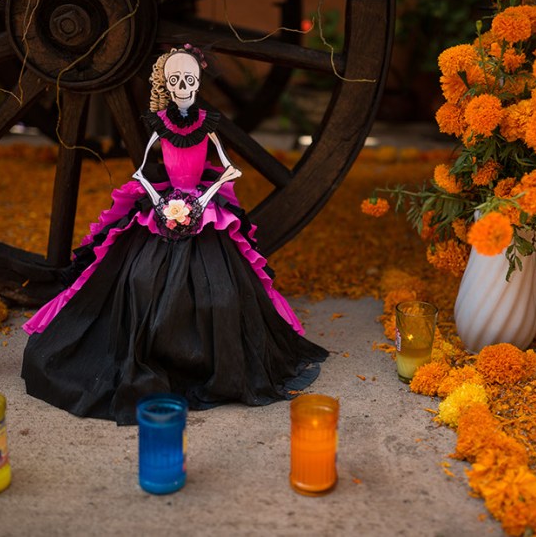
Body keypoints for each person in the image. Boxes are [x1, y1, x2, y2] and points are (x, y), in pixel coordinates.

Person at [21, 45, 328, 425]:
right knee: (139, 278)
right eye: (176, 81)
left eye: (190, 81)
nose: (183, 87)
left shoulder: (206, 125)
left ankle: (213, 358)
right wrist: (160, 200)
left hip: (203, 206)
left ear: (198, 83)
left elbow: (231, 171)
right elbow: (139, 175)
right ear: (167, 85)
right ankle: (154, 349)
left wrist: (203, 199)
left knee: (224, 289)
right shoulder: (160, 127)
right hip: (164, 205)